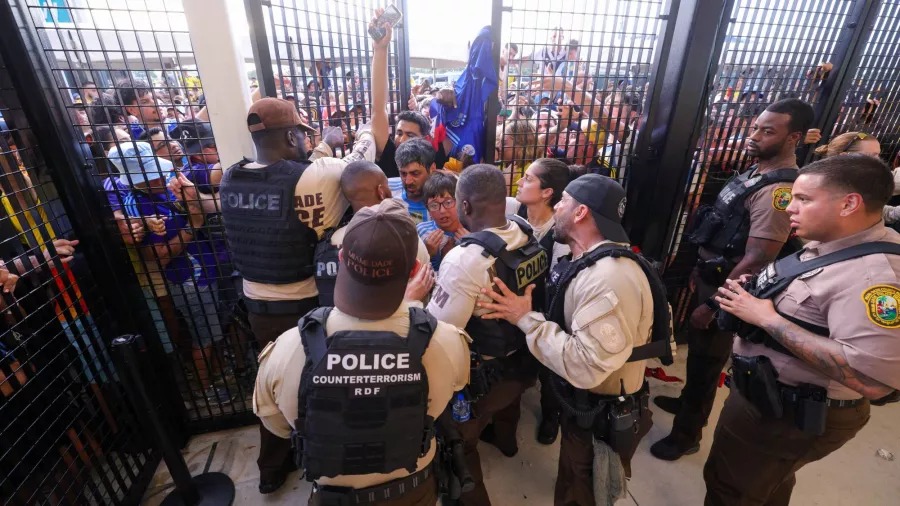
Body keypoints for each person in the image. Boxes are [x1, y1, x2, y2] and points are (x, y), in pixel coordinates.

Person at [705, 154, 900, 505]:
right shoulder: (832, 243)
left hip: (789, 415)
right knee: (767, 484)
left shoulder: (874, 276)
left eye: (804, 199)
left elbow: (872, 380)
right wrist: (766, 294)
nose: (790, 208)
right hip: (770, 401)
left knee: (730, 489)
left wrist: (767, 318)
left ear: (848, 204)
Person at [253, 199, 470, 506]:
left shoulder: (289, 349)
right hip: (413, 490)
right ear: (416, 269)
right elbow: (452, 392)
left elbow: (276, 424)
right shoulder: (446, 342)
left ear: (342, 257)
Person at [477, 174, 672, 506]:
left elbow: (584, 366)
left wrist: (524, 319)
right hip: (592, 410)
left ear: (581, 212)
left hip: (598, 420)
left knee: (580, 492)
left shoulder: (607, 278)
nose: (557, 208)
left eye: (563, 201)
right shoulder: (598, 262)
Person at [650, 98, 815, 461]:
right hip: (714, 276)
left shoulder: (778, 191)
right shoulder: (757, 172)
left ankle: (686, 434)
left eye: (767, 131)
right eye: (755, 127)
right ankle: (686, 405)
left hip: (729, 289)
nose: (753, 135)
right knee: (698, 360)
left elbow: (758, 258)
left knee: (709, 362)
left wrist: (713, 304)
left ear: (794, 138)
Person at [426, 165, 549, 506]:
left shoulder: (465, 260)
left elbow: (438, 333)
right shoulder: (525, 231)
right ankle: (507, 441)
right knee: (509, 402)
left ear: (464, 207)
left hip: (487, 373)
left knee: (458, 441)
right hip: (528, 357)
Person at [104, 142, 229, 403]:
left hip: (204, 272)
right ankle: (204, 391)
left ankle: (216, 378)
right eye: (151, 176)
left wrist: (192, 203)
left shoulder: (169, 187)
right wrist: (192, 225)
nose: (161, 177)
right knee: (202, 337)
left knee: (212, 333)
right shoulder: (135, 206)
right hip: (187, 280)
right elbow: (158, 256)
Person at [506, 158, 574, 444]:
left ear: (547, 193)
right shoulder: (511, 208)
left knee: (550, 372)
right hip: (512, 305)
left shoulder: (559, 234)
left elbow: (560, 281)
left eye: (529, 178)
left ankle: (551, 415)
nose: (520, 181)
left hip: (546, 311)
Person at [314, 162, 431, 306]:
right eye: (387, 184)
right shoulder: (406, 238)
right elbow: (422, 292)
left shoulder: (333, 239)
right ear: (381, 191)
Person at [416, 172, 468, 271]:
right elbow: (416, 273)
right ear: (428, 210)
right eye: (434, 205)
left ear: (460, 202)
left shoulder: (470, 230)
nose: (442, 211)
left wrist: (471, 247)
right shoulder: (422, 232)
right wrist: (429, 253)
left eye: (448, 202)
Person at [389, 138, 437, 224]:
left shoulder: (446, 201)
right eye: (403, 174)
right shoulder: (387, 191)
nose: (408, 181)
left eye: (415, 173)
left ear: (432, 169)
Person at [377, 110, 432, 178]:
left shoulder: (432, 158)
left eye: (410, 135)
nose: (402, 140)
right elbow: (378, 112)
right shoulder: (389, 153)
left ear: (425, 139)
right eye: (399, 134)